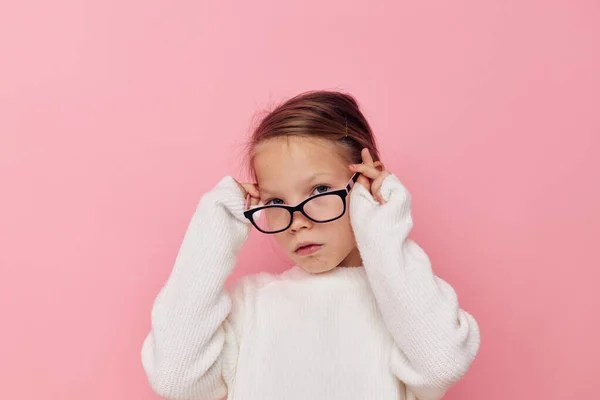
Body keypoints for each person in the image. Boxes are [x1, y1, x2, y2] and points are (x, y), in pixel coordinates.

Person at [141, 90, 481, 400]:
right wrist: (215, 226)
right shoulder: (250, 306)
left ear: (364, 184)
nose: (298, 220)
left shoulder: (404, 307)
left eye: (319, 191)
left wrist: (381, 224)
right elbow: (176, 380)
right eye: (275, 200)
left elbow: (442, 363)